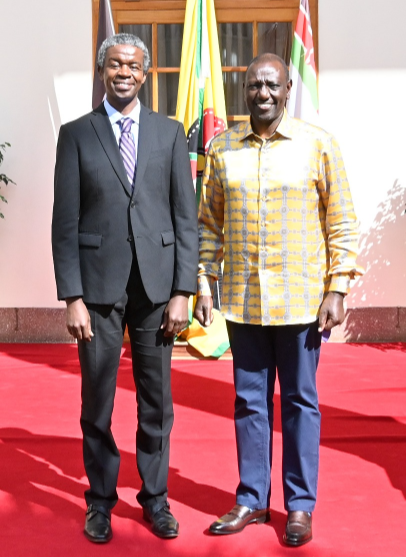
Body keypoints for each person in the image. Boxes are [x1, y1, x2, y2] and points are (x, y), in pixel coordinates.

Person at [194, 53, 362, 547]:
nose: (262, 93)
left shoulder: (318, 145)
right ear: (243, 90)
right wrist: (205, 282)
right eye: (252, 86)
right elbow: (209, 225)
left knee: (300, 402)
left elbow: (342, 220)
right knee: (249, 403)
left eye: (271, 84)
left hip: (301, 302)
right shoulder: (224, 150)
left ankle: (299, 506)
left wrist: (337, 288)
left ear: (288, 88)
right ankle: (251, 497)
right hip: (244, 302)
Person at [52, 33, 198, 544]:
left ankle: (155, 500)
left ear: (145, 73)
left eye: (133, 66)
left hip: (158, 291)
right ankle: (100, 502)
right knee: (98, 401)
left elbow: (186, 218)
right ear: (101, 70)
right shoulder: (75, 134)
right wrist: (71, 296)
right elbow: (64, 223)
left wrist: (183, 289)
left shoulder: (169, 133)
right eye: (114, 64)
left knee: (157, 402)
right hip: (96, 293)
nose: (124, 73)